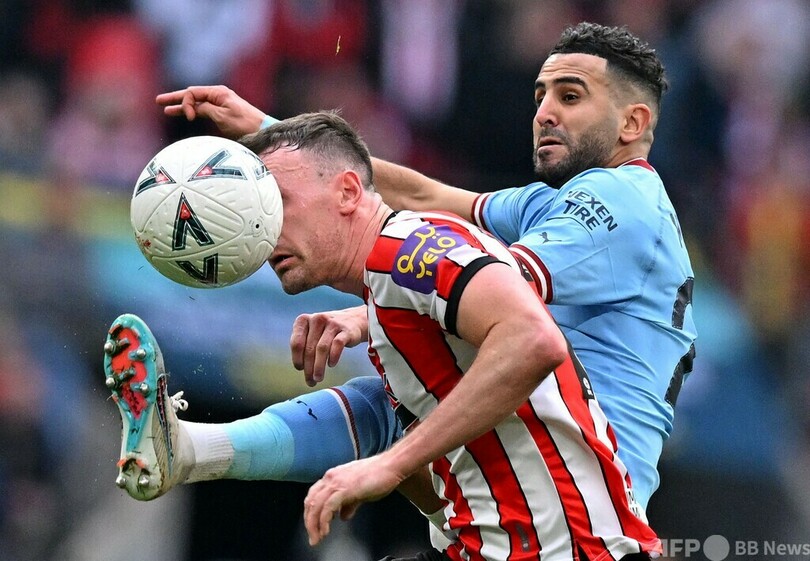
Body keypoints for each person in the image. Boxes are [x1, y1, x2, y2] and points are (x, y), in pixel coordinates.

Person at [149, 22, 697, 511]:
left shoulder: (623, 200)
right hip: (539, 472)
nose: (544, 113)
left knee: (409, 373)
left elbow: (495, 284)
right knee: (399, 390)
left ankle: (197, 448)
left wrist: (366, 315)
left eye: (570, 96)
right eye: (541, 96)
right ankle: (192, 448)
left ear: (633, 122)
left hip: (584, 491)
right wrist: (276, 132)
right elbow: (423, 194)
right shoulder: (551, 203)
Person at [105, 110, 660, 560]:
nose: (265, 228)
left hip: (570, 552)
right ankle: (190, 450)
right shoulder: (389, 296)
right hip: (489, 548)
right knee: (379, 413)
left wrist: (386, 466)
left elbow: (534, 341)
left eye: (280, 203)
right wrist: (397, 474)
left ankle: (192, 451)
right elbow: (438, 463)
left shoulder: (408, 250)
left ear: (348, 192)